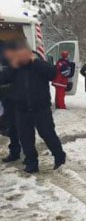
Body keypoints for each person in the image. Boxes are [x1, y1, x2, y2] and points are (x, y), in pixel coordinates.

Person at [0, 39, 66, 173]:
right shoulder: (15, 65)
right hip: (22, 108)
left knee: (47, 134)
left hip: (40, 108)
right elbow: (4, 77)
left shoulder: (38, 62)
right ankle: (31, 162)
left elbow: (52, 73)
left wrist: (35, 61)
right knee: (26, 137)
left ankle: (59, 156)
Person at [0, 40, 21, 163]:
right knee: (12, 127)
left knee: (16, 127)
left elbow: (10, 75)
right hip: (6, 98)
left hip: (12, 98)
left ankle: (17, 151)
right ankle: (15, 151)